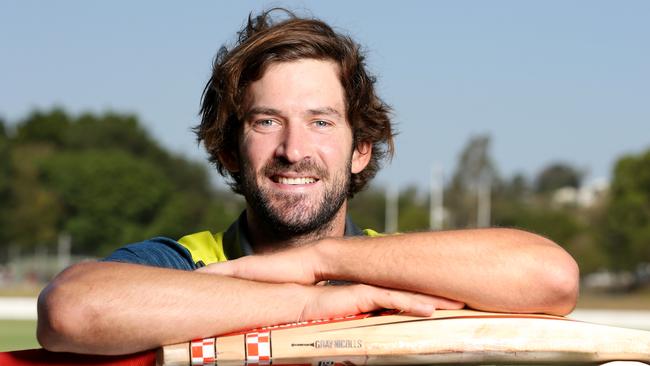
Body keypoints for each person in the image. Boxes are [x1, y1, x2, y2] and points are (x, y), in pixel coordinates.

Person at [37, 9, 579, 356]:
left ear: (360, 149)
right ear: (228, 148)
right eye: (266, 121)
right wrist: (307, 304)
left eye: (321, 122)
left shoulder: (400, 274)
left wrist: (324, 262)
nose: (294, 150)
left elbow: (552, 278)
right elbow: (72, 309)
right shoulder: (193, 263)